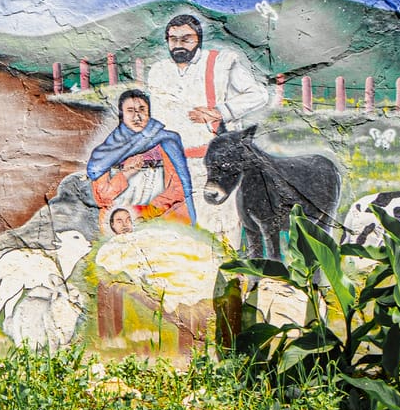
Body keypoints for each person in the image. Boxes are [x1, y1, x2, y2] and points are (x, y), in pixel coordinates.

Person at [144, 12, 269, 243]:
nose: (178, 44)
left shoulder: (222, 63)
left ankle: (230, 272)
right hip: (180, 161)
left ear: (198, 39)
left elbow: (259, 95)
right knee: (193, 225)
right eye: (173, 39)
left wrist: (220, 111)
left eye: (186, 38)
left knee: (227, 220)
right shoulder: (158, 71)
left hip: (217, 161)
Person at [86, 88, 194, 227]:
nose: (137, 117)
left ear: (149, 113)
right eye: (130, 110)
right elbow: (102, 197)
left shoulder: (166, 142)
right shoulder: (105, 153)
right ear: (121, 115)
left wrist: (147, 212)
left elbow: (178, 189)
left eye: (142, 109)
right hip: (118, 224)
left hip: (159, 219)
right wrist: (126, 173)